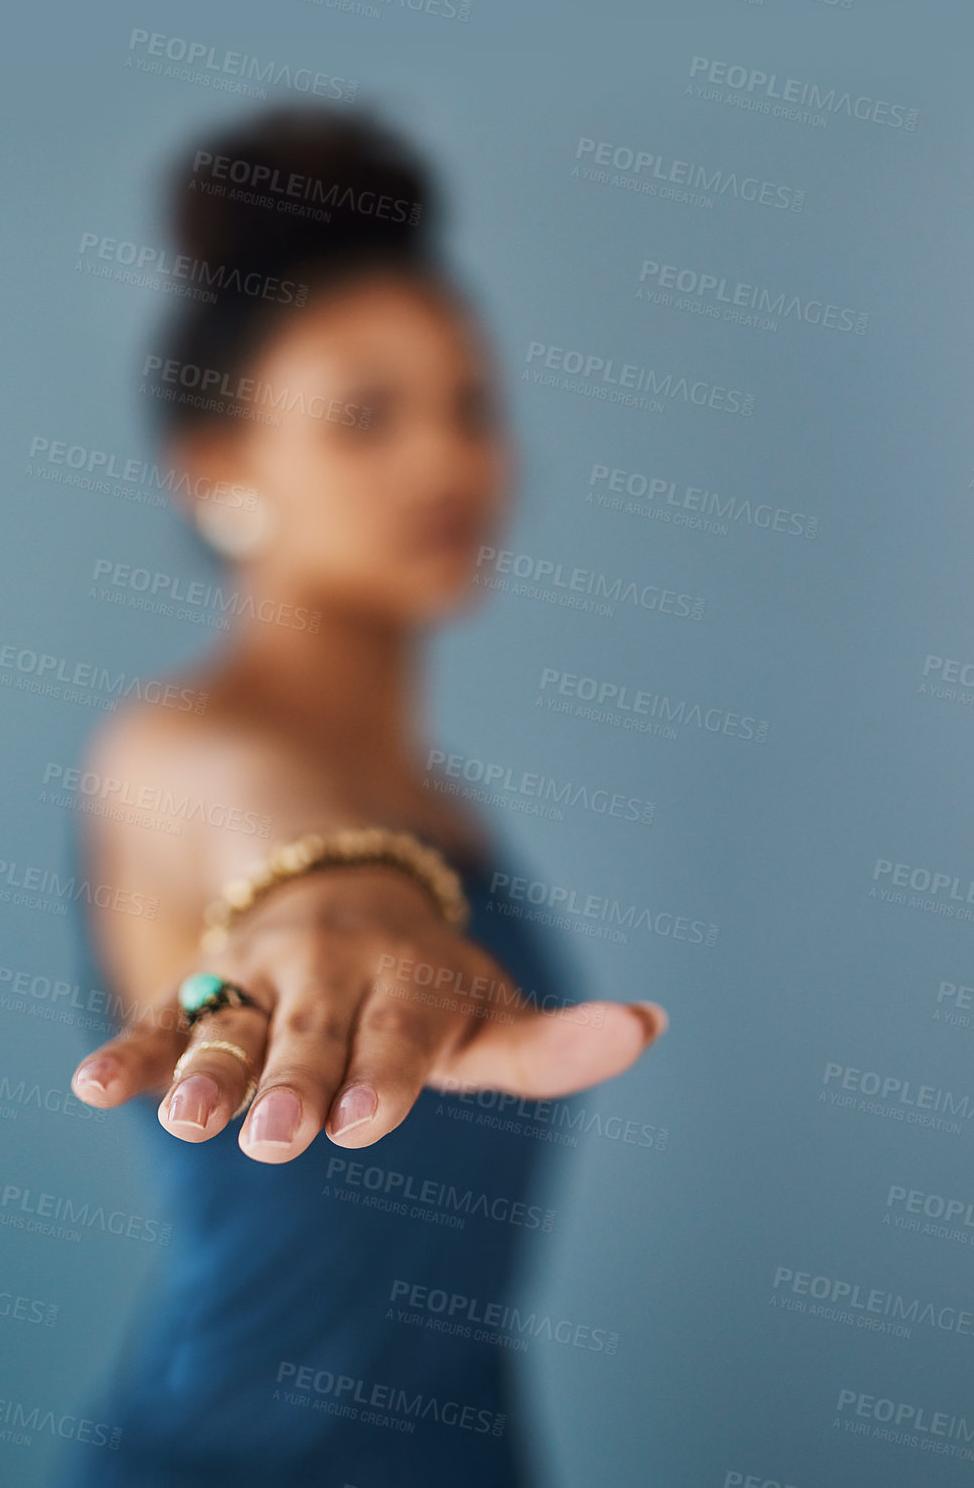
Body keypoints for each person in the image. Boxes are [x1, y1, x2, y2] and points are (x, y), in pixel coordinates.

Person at [60, 103, 668, 1487]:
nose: (448, 458)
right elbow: (264, 821)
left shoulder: (443, 797)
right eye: (366, 413)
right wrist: (339, 892)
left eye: (472, 404)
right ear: (218, 470)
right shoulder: (173, 745)